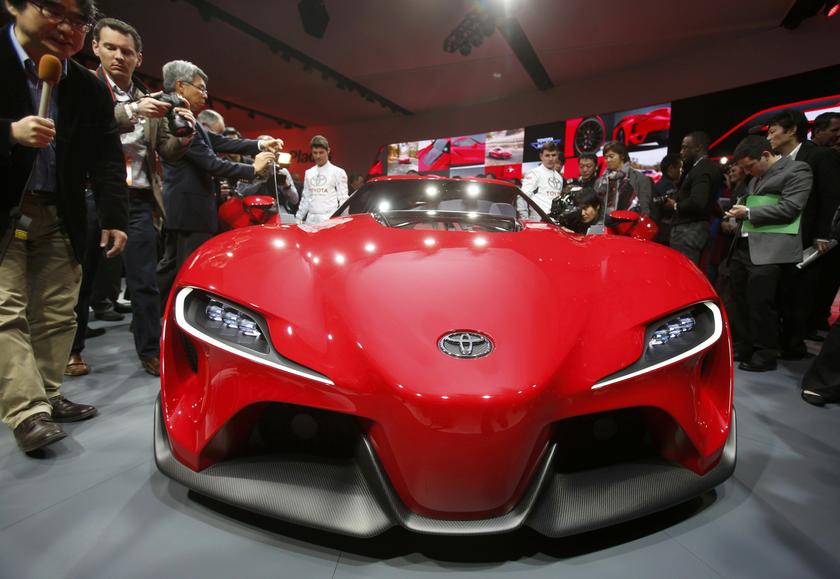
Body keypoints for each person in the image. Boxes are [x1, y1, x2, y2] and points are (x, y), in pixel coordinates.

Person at [1, 0, 129, 453]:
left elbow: (107, 156)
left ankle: (47, 393)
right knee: (5, 311)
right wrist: (9, 133)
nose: (67, 27)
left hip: (60, 212)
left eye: (78, 21)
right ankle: (28, 411)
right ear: (13, 4)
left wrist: (114, 216)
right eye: (55, 10)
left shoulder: (85, 85)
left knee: (58, 311)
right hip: (7, 212)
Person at [69, 17, 195, 378]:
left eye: (127, 52)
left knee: (144, 282)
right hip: (90, 193)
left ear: (139, 58)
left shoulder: (149, 97)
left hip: (137, 200)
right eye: (110, 48)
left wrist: (185, 133)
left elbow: (165, 151)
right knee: (81, 278)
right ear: (95, 47)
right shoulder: (83, 86)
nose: (118, 57)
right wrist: (132, 111)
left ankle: (150, 351)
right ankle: (72, 350)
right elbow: (80, 128)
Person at [158, 59, 282, 290]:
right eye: (201, 88)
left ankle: (154, 309)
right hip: (190, 210)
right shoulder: (177, 120)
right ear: (181, 86)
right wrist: (253, 169)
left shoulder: (188, 118)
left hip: (187, 208)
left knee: (172, 267)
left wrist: (260, 145)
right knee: (187, 271)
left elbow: (221, 142)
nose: (205, 95)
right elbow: (212, 163)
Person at [725, 135, 812, 372]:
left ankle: (765, 353)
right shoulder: (756, 177)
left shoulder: (797, 170)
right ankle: (746, 345)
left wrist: (749, 213)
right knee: (739, 300)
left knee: (761, 303)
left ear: (765, 155)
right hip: (744, 245)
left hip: (771, 249)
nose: (748, 172)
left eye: (750, 166)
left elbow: (791, 207)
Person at [767, 109, 840, 349]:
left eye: (773, 131)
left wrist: (822, 234)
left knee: (801, 293)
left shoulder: (821, 156)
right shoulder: (778, 159)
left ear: (791, 130)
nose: (769, 137)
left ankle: (794, 346)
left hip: (808, 238)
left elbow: (830, 197)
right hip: (781, 234)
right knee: (782, 291)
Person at [667, 132, 723, 267]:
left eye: (685, 147)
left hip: (688, 231)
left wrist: (675, 205)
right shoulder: (704, 167)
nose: (681, 152)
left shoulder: (703, 168)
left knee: (682, 271)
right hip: (692, 230)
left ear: (698, 148)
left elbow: (698, 201)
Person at [295, 135, 349, 225]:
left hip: (329, 219)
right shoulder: (309, 173)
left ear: (328, 151)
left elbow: (343, 199)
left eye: (321, 152)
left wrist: (344, 221)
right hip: (310, 220)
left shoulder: (338, 172)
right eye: (315, 153)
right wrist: (298, 218)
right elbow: (306, 198)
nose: (318, 156)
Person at [595, 140, 652, 215]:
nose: (608, 160)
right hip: (604, 221)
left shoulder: (639, 179)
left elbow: (645, 210)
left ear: (622, 156)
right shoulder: (600, 181)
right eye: (605, 158)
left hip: (629, 220)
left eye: (611, 156)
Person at [520, 141, 563, 217]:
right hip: (537, 220)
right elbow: (522, 196)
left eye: (553, 155)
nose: (550, 159)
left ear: (557, 156)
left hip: (554, 220)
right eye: (547, 155)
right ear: (541, 156)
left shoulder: (559, 178)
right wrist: (524, 217)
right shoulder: (534, 173)